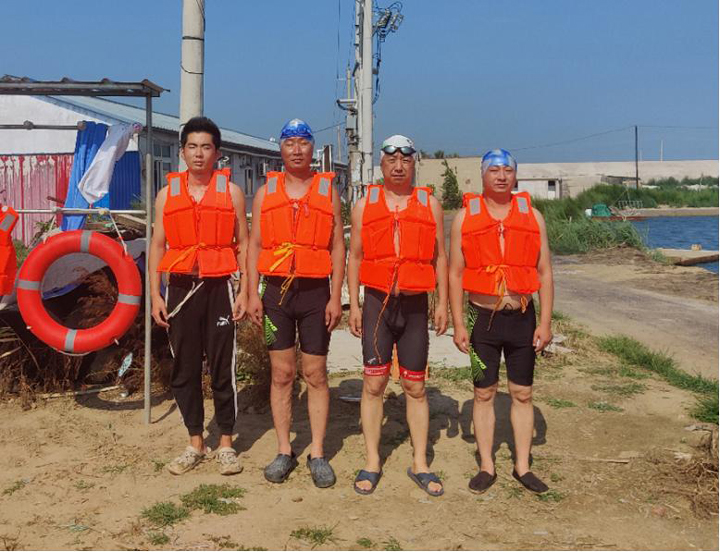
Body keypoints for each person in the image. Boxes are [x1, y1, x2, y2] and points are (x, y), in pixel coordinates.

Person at [347, 135, 449, 497]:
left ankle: (420, 463)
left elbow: (440, 258)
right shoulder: (364, 205)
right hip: (377, 305)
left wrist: (443, 303)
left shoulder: (429, 204)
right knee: (374, 384)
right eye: (392, 159)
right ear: (382, 165)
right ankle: (372, 461)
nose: (399, 166)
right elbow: (355, 257)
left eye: (405, 159)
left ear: (413, 163)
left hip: (414, 305)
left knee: (415, 387)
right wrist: (354, 304)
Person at [448, 148, 554, 494]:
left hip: (522, 317)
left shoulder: (533, 216)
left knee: (522, 392)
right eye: (494, 170)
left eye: (507, 170)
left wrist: (545, 323)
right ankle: (486, 466)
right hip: (482, 319)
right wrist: (458, 324)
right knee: (484, 392)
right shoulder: (465, 217)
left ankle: (522, 466)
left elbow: (545, 272)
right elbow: (455, 273)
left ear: (515, 176)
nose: (501, 176)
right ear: (483, 175)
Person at [247, 119, 344, 488]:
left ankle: (317, 452)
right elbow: (255, 245)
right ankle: (284, 450)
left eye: (304, 143)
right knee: (282, 374)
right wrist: (251, 292)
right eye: (290, 143)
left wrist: (336, 296)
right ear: (281, 150)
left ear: (312, 149)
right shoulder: (265, 193)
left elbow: (338, 246)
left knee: (315, 374)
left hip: (315, 293)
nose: (297, 149)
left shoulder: (328, 192)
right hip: (276, 294)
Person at [149, 116, 248, 476]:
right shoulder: (166, 196)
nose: (199, 153)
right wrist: (156, 295)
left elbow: (245, 244)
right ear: (182, 152)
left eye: (206, 147)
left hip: (219, 287)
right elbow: (157, 246)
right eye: (192, 146)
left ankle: (226, 443)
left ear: (217, 153)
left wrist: (245, 290)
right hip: (180, 288)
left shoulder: (232, 193)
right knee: (185, 368)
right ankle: (195, 442)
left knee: (223, 368)